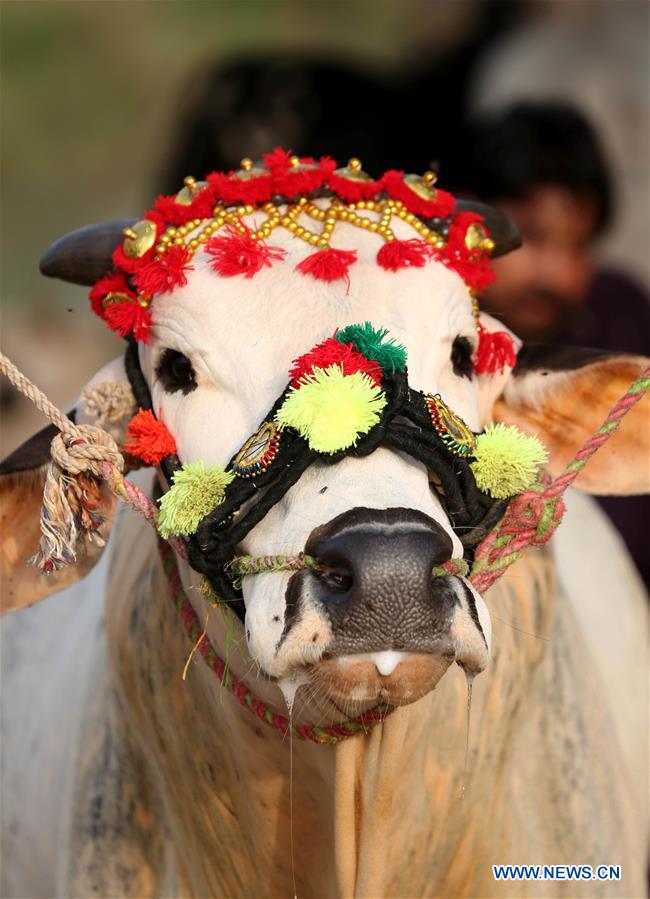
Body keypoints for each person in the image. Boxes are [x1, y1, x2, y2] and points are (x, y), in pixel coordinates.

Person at [444, 102, 650, 588]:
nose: (558, 274)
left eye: (579, 246)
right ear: (467, 218)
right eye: (533, 237)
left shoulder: (620, 316)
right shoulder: (427, 333)